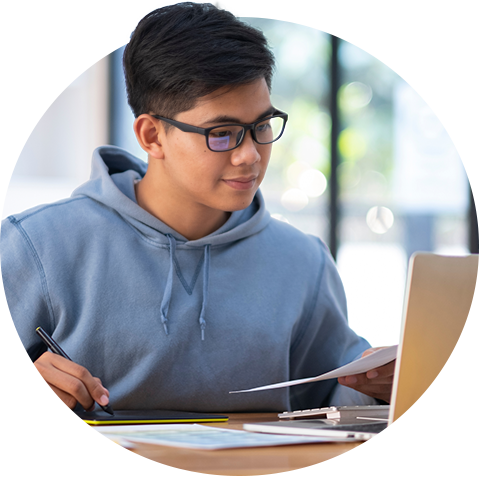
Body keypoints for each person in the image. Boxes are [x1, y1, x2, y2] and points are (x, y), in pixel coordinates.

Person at [0, 2, 394, 413]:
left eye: (260, 126)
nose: (250, 156)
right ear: (152, 136)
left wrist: (380, 386)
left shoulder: (303, 262)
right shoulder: (34, 246)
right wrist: (21, 391)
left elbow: (334, 406)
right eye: (222, 133)